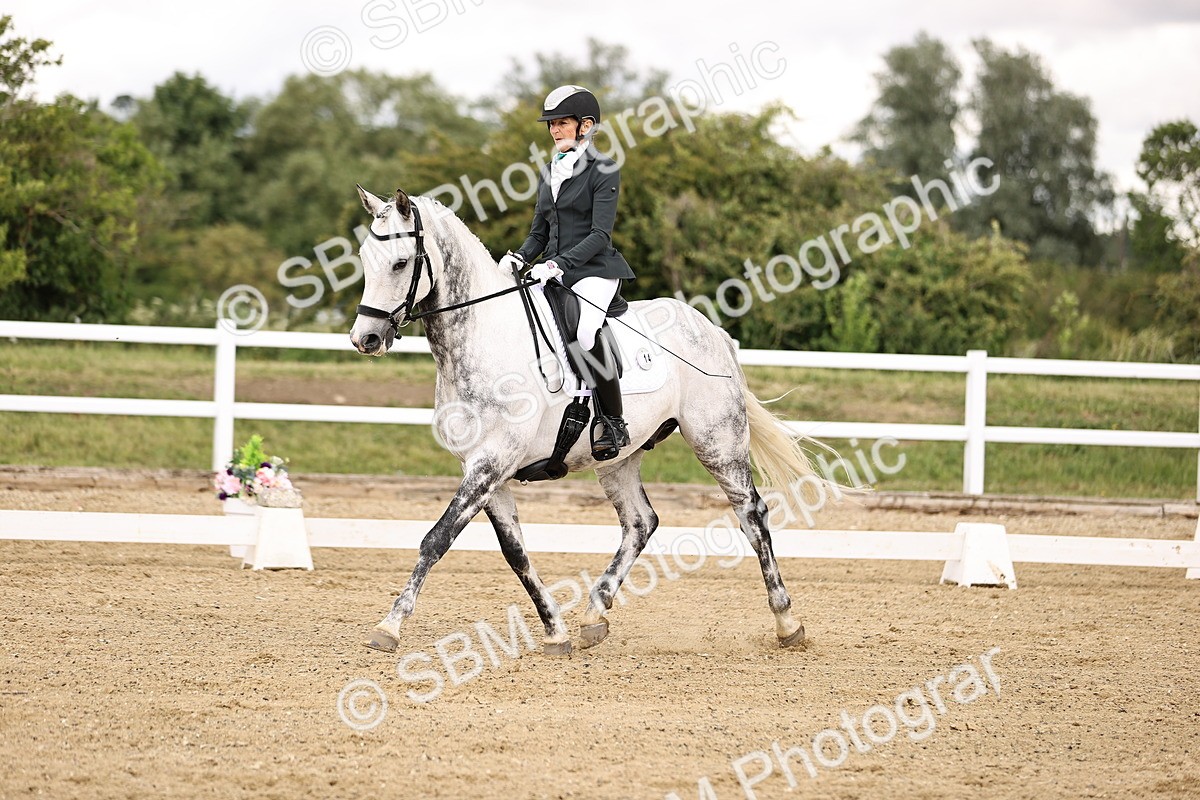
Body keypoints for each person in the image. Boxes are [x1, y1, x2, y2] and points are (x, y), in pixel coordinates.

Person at [500, 85, 636, 460]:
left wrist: (558, 264)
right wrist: (519, 256)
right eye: (551, 124)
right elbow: (539, 233)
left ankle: (612, 420)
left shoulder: (603, 169)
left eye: (562, 123)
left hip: (595, 269)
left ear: (585, 126)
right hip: (553, 271)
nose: (555, 130)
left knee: (586, 331)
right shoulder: (549, 171)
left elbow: (599, 235)